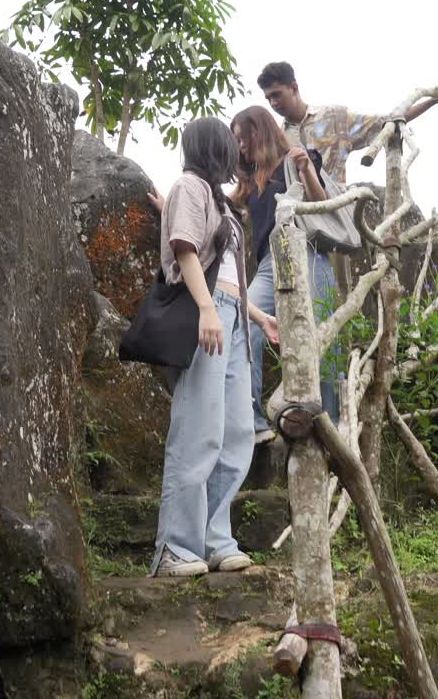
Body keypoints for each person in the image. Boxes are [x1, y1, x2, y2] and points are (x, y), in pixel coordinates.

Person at [150, 117, 281, 578]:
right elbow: (184, 249)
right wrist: (207, 309)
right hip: (204, 316)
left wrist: (259, 316)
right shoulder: (189, 185)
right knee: (198, 431)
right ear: (215, 149)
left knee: (236, 435)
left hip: (233, 319)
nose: (238, 154)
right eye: (230, 146)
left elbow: (226, 273)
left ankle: (215, 540)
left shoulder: (217, 202)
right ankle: (176, 548)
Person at [229, 106, 334, 446]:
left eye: (242, 138)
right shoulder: (249, 180)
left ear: (257, 132)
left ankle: (329, 428)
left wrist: (306, 170)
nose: (240, 147)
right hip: (268, 262)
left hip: (306, 254)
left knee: (321, 336)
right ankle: (255, 422)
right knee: (243, 322)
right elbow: (220, 205)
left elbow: (323, 206)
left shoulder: (297, 158)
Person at [256, 61, 438, 186]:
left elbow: (387, 121)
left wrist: (433, 100)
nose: (273, 103)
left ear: (294, 88)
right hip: (297, 223)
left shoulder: (335, 118)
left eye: (277, 94)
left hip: (336, 217)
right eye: (268, 98)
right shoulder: (278, 140)